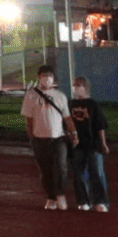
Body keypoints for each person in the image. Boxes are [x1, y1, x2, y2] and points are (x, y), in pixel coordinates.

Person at [20, 64, 77, 210]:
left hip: (59, 138)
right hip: (39, 139)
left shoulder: (60, 96)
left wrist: (74, 133)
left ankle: (60, 195)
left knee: (62, 167)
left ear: (54, 78)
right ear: (38, 77)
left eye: (49, 76)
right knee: (45, 170)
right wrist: (31, 136)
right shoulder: (31, 95)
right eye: (44, 76)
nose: (47, 79)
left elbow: (67, 117)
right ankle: (50, 197)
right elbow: (28, 118)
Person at [68, 77, 111, 212]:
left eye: (79, 85)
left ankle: (100, 201)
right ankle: (82, 200)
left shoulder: (93, 104)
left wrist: (103, 143)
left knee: (96, 171)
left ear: (86, 88)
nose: (76, 88)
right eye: (74, 85)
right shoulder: (70, 104)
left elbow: (100, 126)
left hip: (92, 144)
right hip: (76, 144)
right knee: (78, 173)